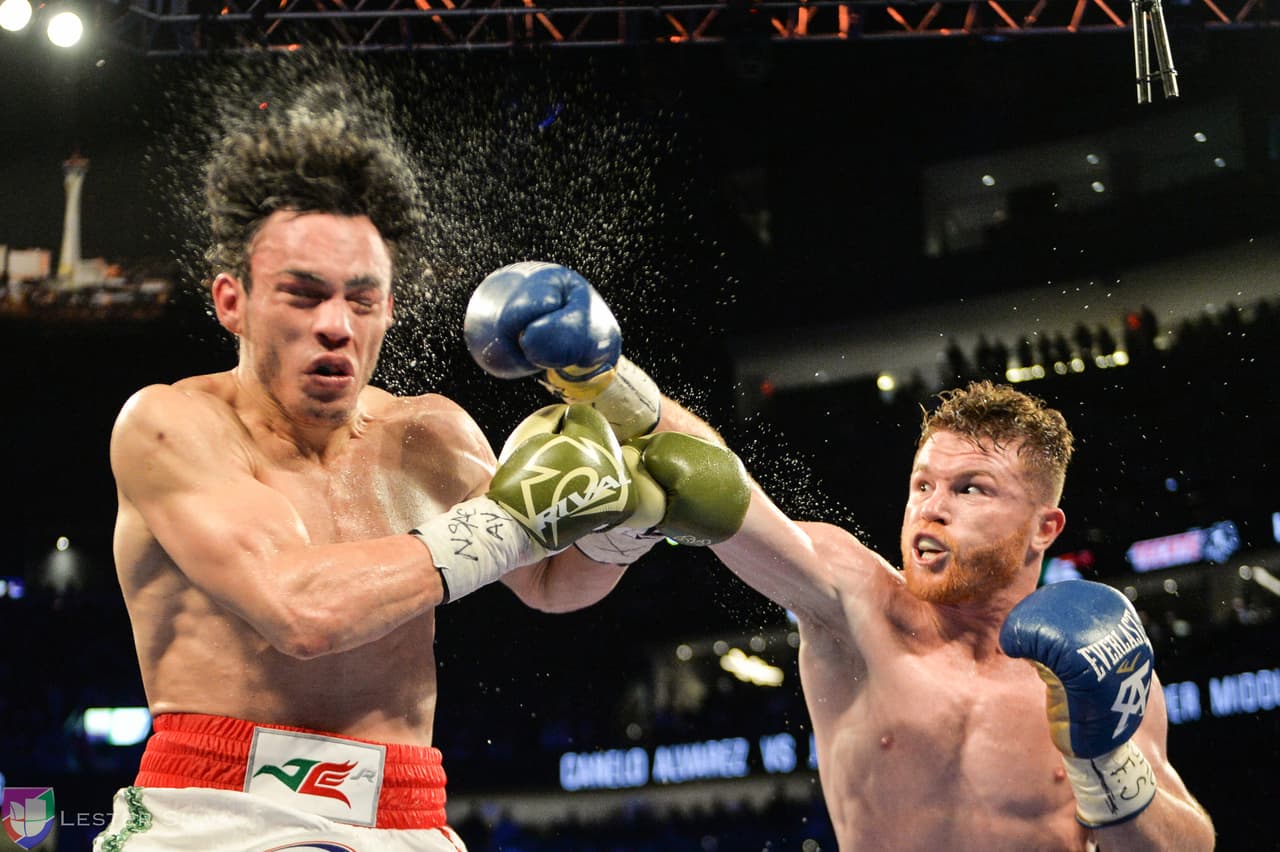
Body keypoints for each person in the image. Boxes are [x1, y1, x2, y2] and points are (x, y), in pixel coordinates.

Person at [93, 82, 726, 851]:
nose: (334, 325)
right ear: (232, 300)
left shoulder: (428, 432)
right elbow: (301, 613)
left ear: (391, 307)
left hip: (407, 813)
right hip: (228, 812)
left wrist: (625, 524)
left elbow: (553, 584)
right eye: (302, 295)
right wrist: (507, 521)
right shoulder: (171, 425)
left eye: (362, 300)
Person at [464, 265, 1217, 851]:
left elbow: (1187, 842)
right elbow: (728, 494)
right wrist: (608, 381)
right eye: (922, 484)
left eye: (971, 488)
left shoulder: (1102, 672)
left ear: (1045, 526)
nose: (932, 505)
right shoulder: (857, 605)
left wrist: (1105, 763)